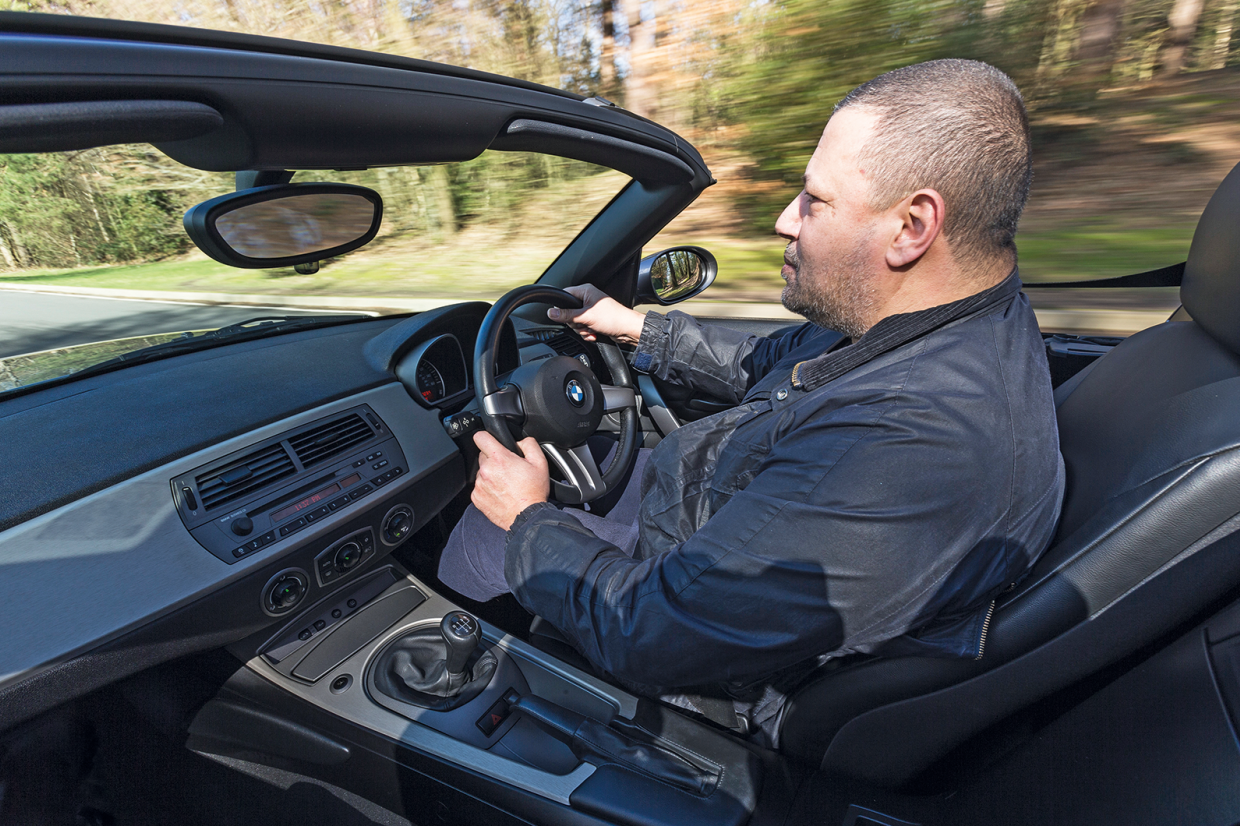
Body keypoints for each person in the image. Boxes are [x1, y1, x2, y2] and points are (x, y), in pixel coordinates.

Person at [438, 58, 1065, 745]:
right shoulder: (949, 320)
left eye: (814, 201)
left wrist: (525, 517)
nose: (783, 220)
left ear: (912, 226)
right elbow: (777, 361)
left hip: (702, 674)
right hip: (702, 523)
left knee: (470, 550)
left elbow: (649, 633)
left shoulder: (910, 446)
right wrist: (639, 325)